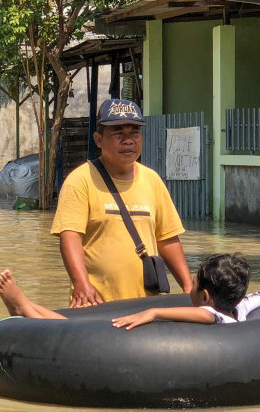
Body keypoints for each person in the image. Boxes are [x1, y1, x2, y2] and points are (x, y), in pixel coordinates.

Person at [51, 98, 192, 306]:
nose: (128, 140)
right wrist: (81, 283)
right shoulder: (80, 181)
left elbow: (167, 239)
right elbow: (70, 237)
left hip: (146, 306)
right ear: (98, 140)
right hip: (96, 305)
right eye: (118, 133)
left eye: (134, 132)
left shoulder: (152, 180)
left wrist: (188, 287)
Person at [0, 254, 260, 326]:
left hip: (129, 346)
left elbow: (207, 316)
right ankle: (24, 306)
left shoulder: (216, 317)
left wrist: (153, 313)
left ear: (204, 296)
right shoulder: (240, 309)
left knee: (86, 330)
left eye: (195, 281)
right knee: (72, 323)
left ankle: (23, 308)